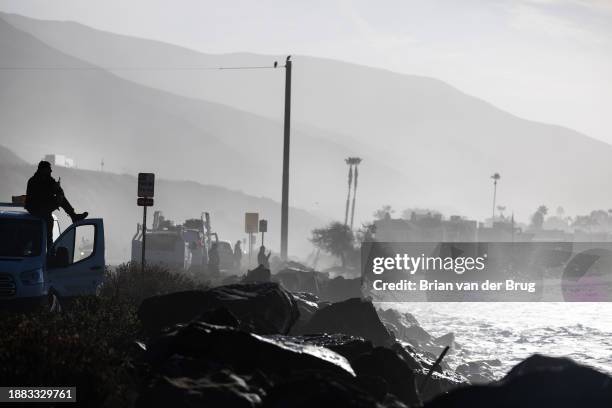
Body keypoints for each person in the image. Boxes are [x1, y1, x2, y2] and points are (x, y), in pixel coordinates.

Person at [25, 161, 88, 250]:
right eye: (49, 169)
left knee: (60, 200)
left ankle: (73, 216)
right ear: (43, 169)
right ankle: (73, 216)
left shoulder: (49, 180)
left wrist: (57, 188)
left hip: (44, 207)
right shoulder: (33, 181)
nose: (51, 171)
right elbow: (39, 197)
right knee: (49, 222)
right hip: (35, 208)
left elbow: (59, 192)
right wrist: (53, 192)